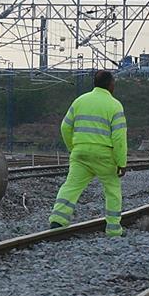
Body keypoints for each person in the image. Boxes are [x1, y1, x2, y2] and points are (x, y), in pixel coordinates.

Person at [49, 70, 128, 237]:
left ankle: (57, 220)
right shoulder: (115, 105)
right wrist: (122, 163)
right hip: (104, 155)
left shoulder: (79, 101)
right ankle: (114, 230)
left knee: (71, 186)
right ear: (110, 85)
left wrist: (73, 147)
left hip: (80, 153)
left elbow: (65, 127)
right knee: (112, 190)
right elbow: (119, 138)